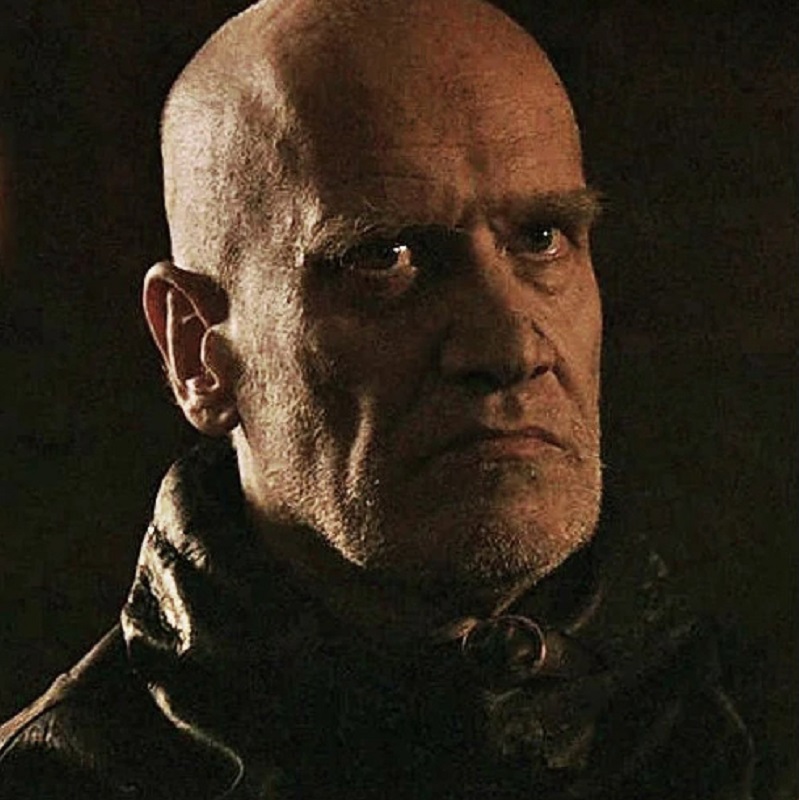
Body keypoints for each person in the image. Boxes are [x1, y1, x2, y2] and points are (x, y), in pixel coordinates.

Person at [0, 0, 756, 797]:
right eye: (383, 259)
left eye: (541, 238)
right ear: (196, 349)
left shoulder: (748, 728)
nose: (509, 349)